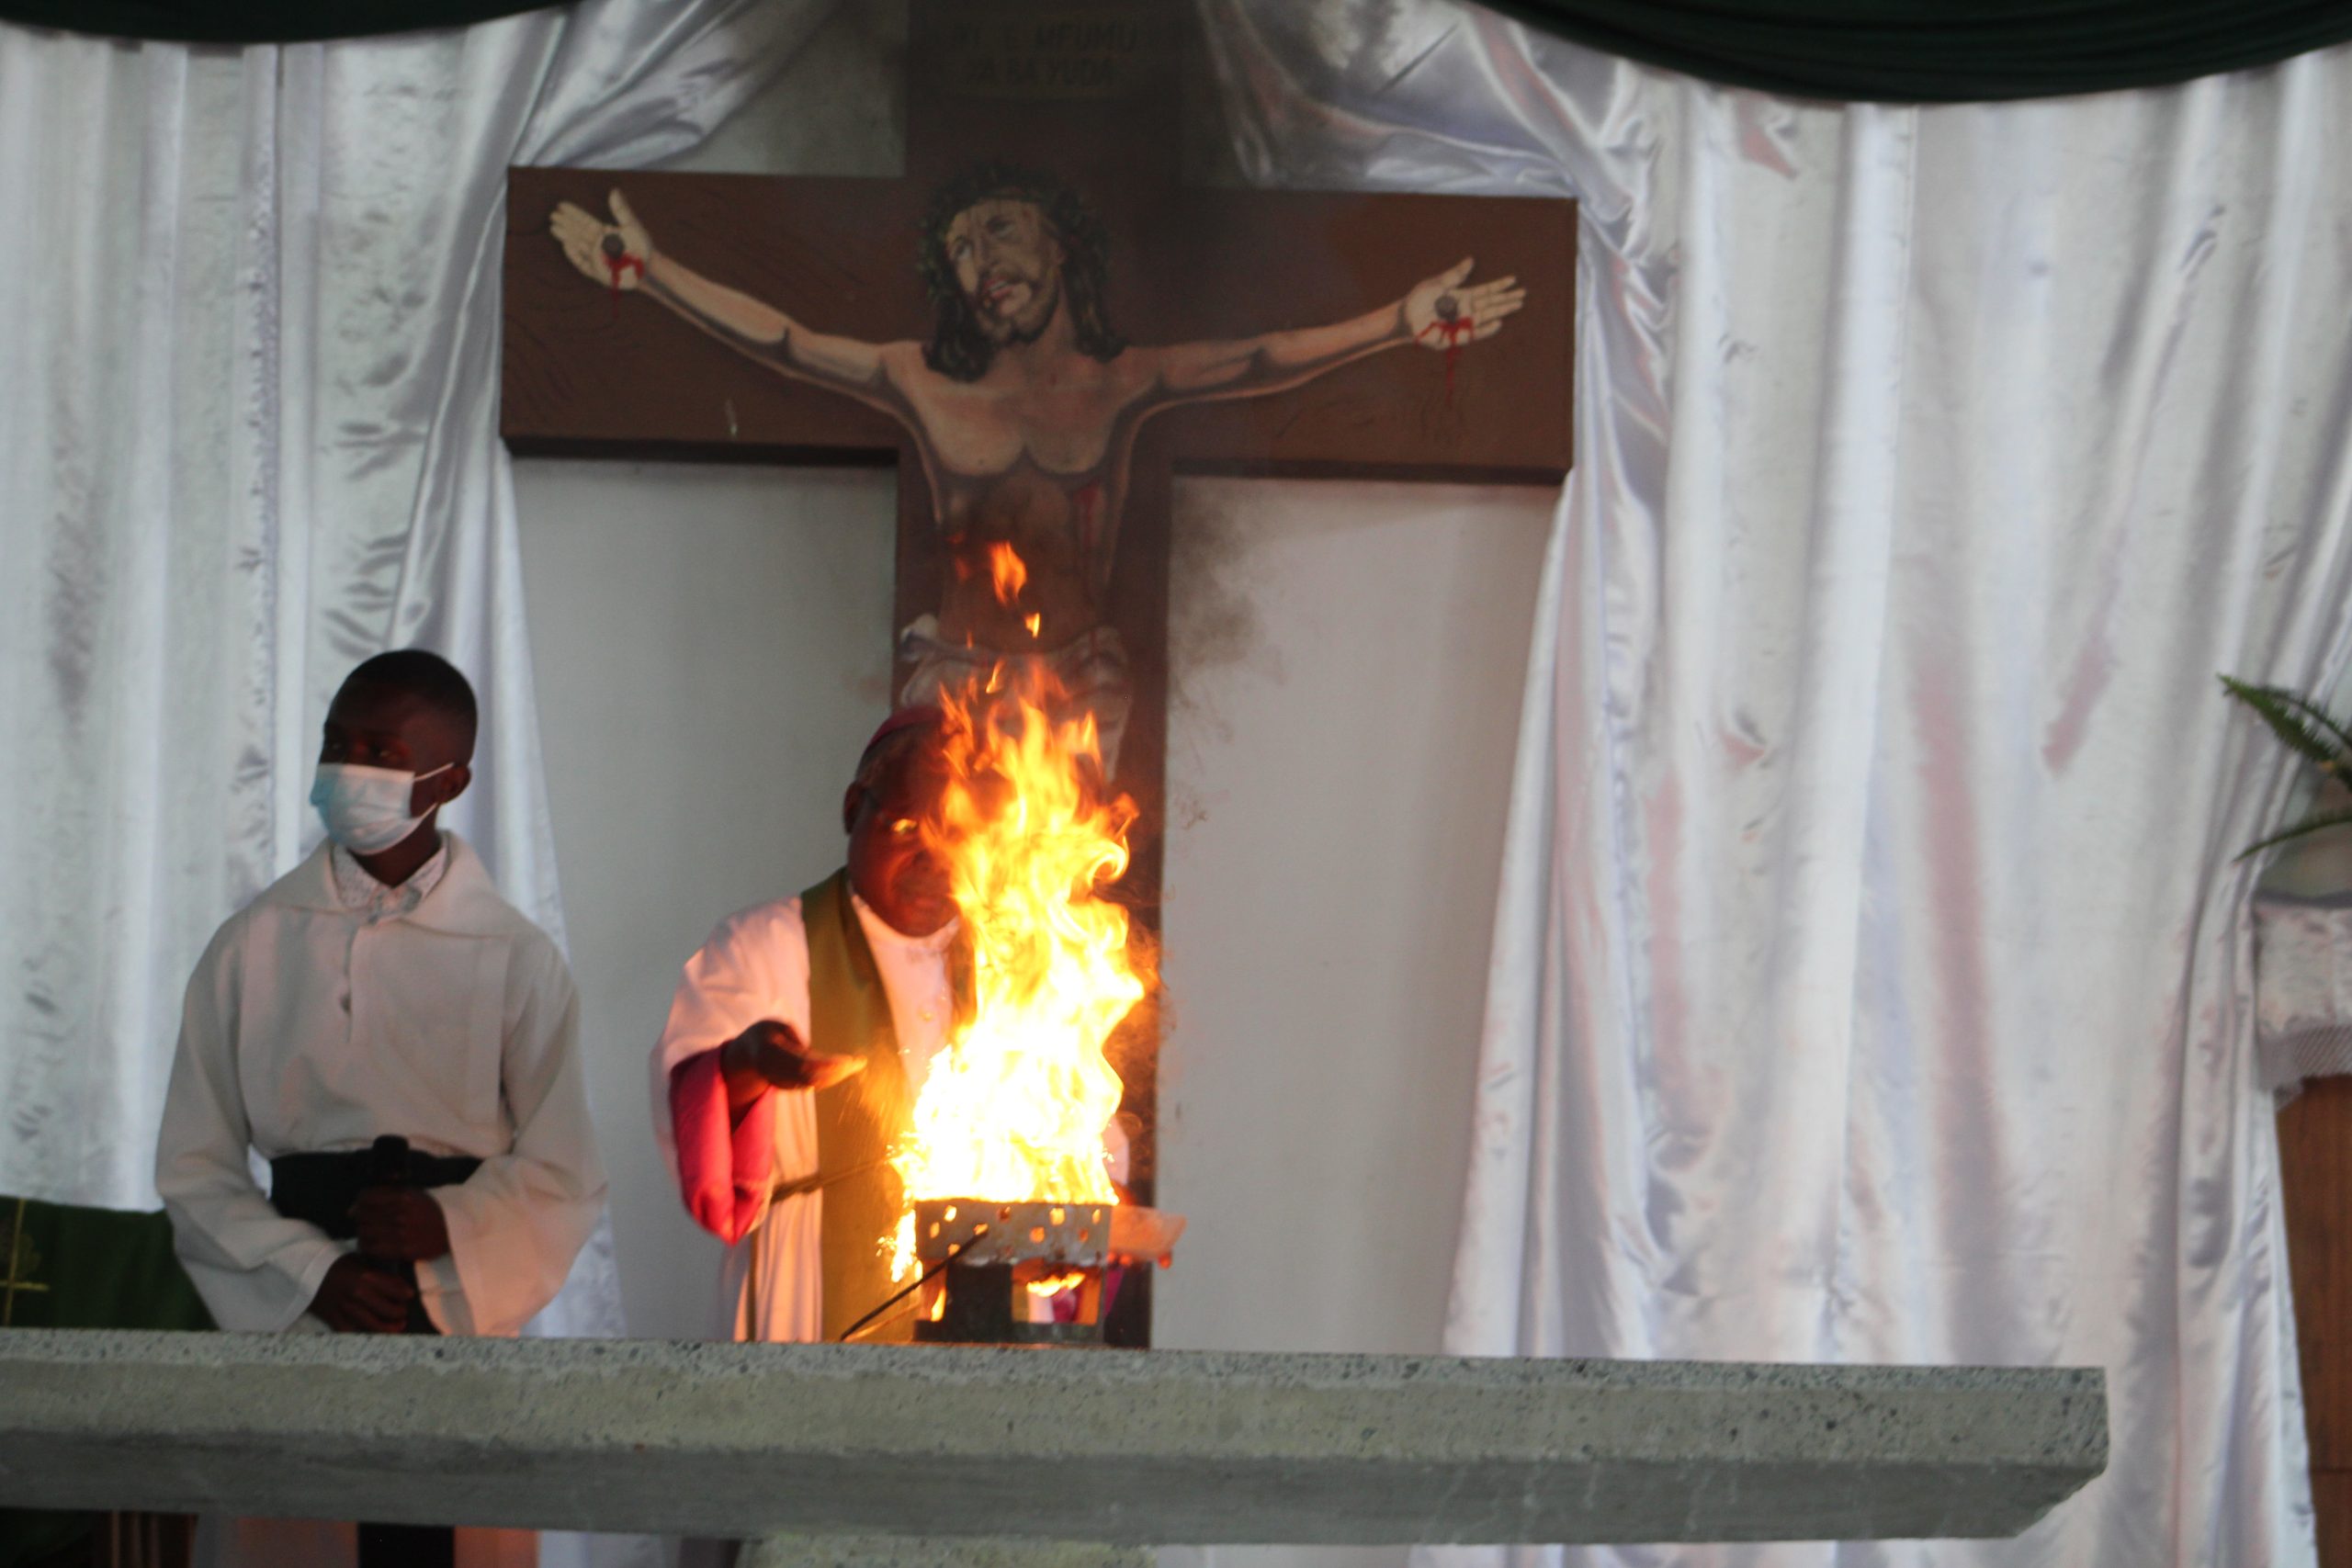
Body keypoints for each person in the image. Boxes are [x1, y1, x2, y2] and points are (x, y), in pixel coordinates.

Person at [549, 163, 1527, 770]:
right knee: (929, 902)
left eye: (999, 231)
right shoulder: (919, 380)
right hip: (955, 685)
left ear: (1060, 245)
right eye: (961, 249)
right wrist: (650, 272)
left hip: (1077, 690)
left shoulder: (1125, 382)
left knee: (1060, 922)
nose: (981, 261)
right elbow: (790, 343)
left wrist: (1400, 324)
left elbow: (1264, 355)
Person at [155, 649, 605, 1568]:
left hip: (452, 1302)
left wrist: (444, 1225)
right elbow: (194, 1165)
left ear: (451, 778)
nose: (349, 770)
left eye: (381, 749)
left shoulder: (515, 957)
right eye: (337, 743)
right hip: (304, 1310)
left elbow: (563, 1170)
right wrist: (311, 1274)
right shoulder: (252, 945)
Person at [653, 707, 961, 1348]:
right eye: (908, 825)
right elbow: (694, 1109)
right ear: (854, 808)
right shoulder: (765, 944)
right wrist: (746, 1064)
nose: (935, 857)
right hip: (807, 1286)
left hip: (972, 1288)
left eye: (961, 832)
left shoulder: (1023, 965)